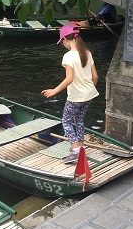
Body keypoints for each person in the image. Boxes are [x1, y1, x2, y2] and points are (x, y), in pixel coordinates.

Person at [41, 24, 99, 164]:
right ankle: (80, 145)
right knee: (79, 119)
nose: (63, 45)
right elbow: (95, 76)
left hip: (76, 96)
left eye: (63, 42)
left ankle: (75, 151)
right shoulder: (87, 53)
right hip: (89, 94)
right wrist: (89, 89)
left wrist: (54, 91)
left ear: (66, 39)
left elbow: (69, 79)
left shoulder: (68, 56)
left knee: (66, 121)